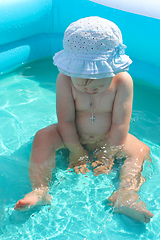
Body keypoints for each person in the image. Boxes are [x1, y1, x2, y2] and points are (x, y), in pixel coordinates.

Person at [14, 16, 153, 223]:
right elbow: (66, 120)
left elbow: (120, 124)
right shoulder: (65, 79)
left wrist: (108, 154)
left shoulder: (123, 81)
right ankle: (41, 189)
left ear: (112, 68)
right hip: (70, 134)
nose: (89, 89)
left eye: (97, 83)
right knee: (43, 137)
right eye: (82, 83)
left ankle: (126, 194)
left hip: (109, 137)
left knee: (141, 150)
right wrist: (75, 150)